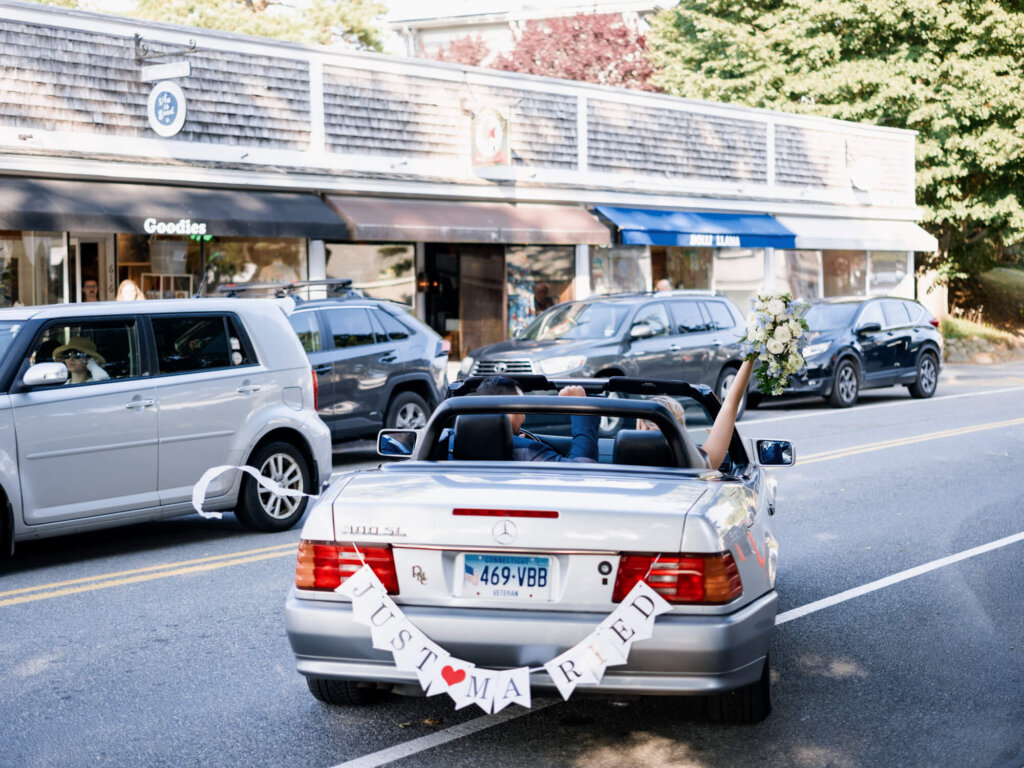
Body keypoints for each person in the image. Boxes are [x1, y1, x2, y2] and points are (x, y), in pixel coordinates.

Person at [635, 359, 753, 469]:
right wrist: (751, 353)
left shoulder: (619, 460)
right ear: (679, 429)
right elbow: (730, 404)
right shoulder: (697, 464)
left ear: (640, 425)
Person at [475, 375, 599, 462]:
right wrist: (581, 408)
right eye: (521, 410)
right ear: (509, 412)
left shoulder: (455, 439)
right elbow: (581, 470)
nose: (523, 418)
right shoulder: (526, 450)